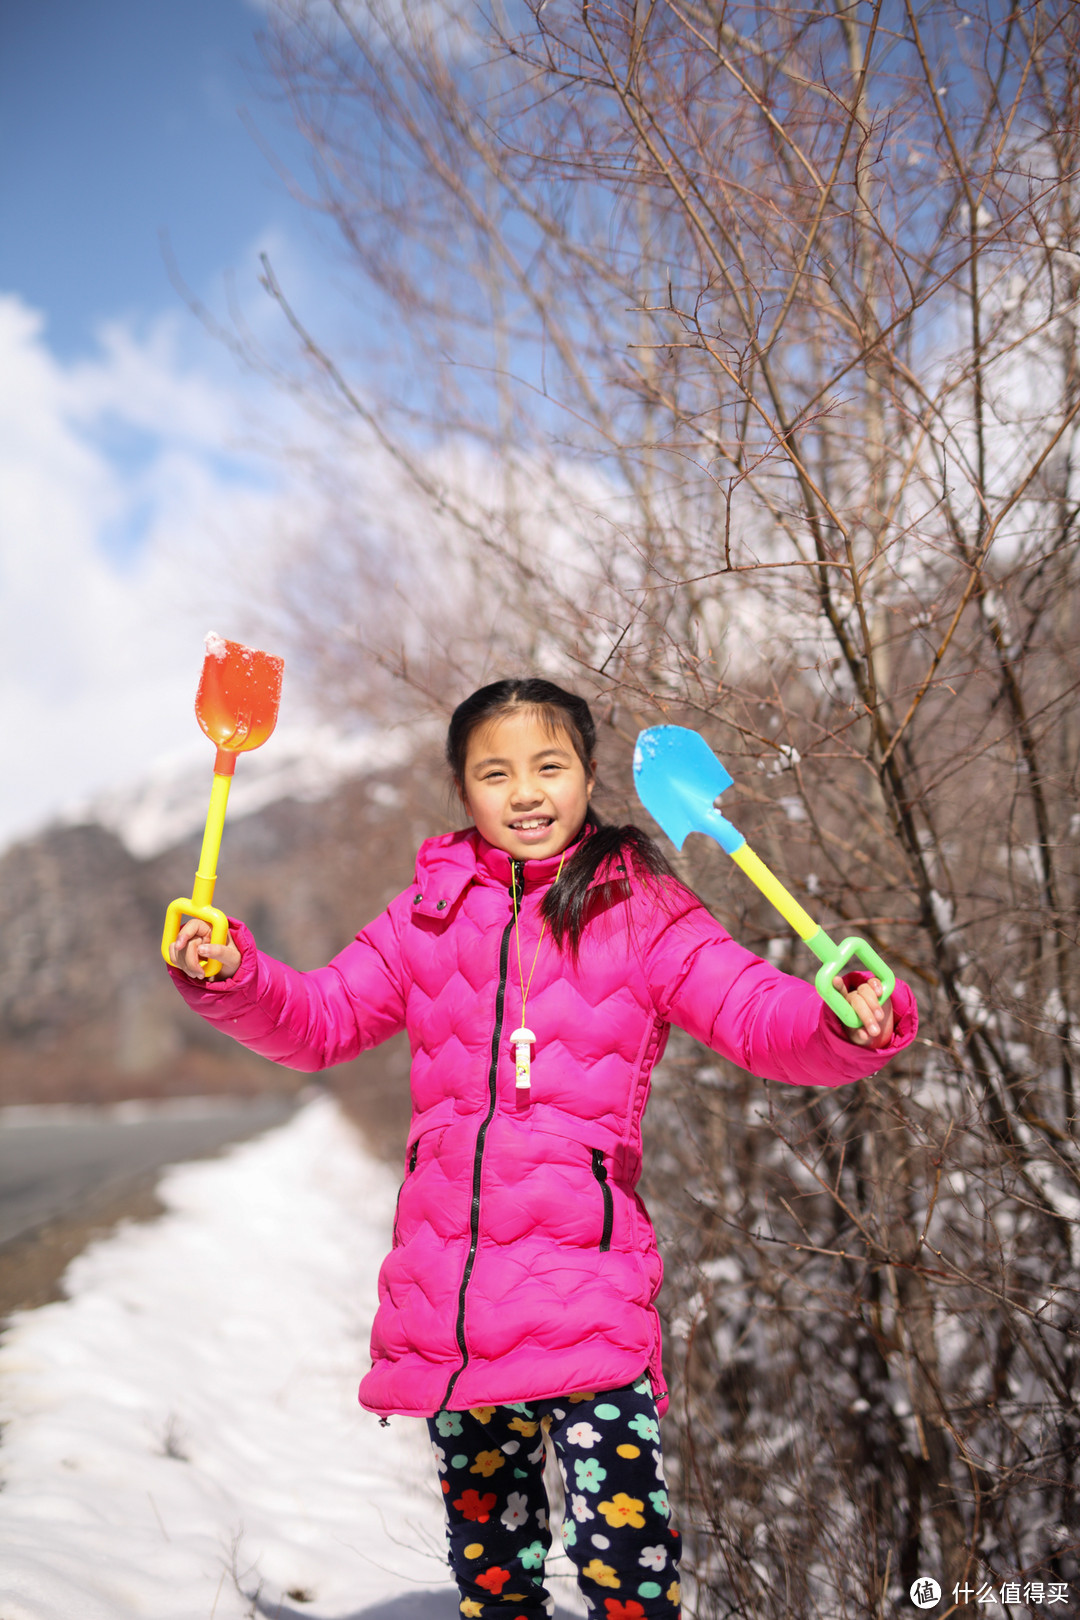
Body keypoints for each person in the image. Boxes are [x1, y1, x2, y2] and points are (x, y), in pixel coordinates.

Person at [168, 677, 917, 1620]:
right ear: (462, 790)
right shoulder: (426, 915)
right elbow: (321, 1021)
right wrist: (232, 972)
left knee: (627, 1557)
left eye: (549, 766)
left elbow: (758, 1018)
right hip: (453, 1300)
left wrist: (844, 1018)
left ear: (588, 774)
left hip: (588, 1291)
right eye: (495, 772)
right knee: (493, 1572)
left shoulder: (642, 909)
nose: (526, 792)